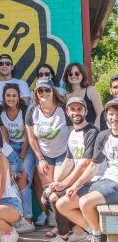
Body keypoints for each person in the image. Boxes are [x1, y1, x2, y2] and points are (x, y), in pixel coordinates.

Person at [56, 98, 118, 242]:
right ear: (106, 116)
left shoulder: (92, 131)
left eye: (117, 114)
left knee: (85, 202)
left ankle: (96, 236)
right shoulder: (103, 136)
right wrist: (75, 185)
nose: (114, 118)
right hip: (105, 181)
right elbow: (93, 166)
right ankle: (96, 233)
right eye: (111, 114)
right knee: (62, 204)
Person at [46, 97, 104, 242]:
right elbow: (68, 161)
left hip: (93, 180)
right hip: (81, 180)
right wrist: (55, 182)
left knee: (54, 198)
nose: (76, 112)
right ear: (67, 112)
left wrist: (65, 184)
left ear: (86, 111)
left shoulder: (92, 132)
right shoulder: (72, 133)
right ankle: (79, 230)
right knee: (47, 195)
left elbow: (85, 164)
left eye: (79, 109)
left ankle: (64, 236)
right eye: (72, 109)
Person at [25, 78, 69, 228]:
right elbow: (31, 137)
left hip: (63, 152)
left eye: (47, 90)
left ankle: (67, 225)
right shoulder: (32, 110)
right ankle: (57, 224)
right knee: (48, 190)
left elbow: (73, 130)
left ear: (53, 91)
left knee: (58, 187)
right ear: (36, 93)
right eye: (40, 90)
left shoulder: (63, 108)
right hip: (44, 155)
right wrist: (40, 158)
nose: (44, 93)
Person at [0, 84, 35, 231]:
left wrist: (21, 157)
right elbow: (4, 138)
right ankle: (15, 219)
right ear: (4, 98)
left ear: (18, 97)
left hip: (27, 147)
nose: (11, 98)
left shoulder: (26, 110)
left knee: (23, 180)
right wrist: (11, 158)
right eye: (8, 96)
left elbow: (28, 137)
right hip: (10, 149)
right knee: (12, 181)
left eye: (14, 95)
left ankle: (28, 219)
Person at [63, 62, 103, 128]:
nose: (73, 76)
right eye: (70, 74)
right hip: (75, 135)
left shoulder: (91, 90)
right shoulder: (65, 97)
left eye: (77, 73)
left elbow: (100, 113)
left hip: (92, 131)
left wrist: (95, 130)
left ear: (82, 75)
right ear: (67, 77)